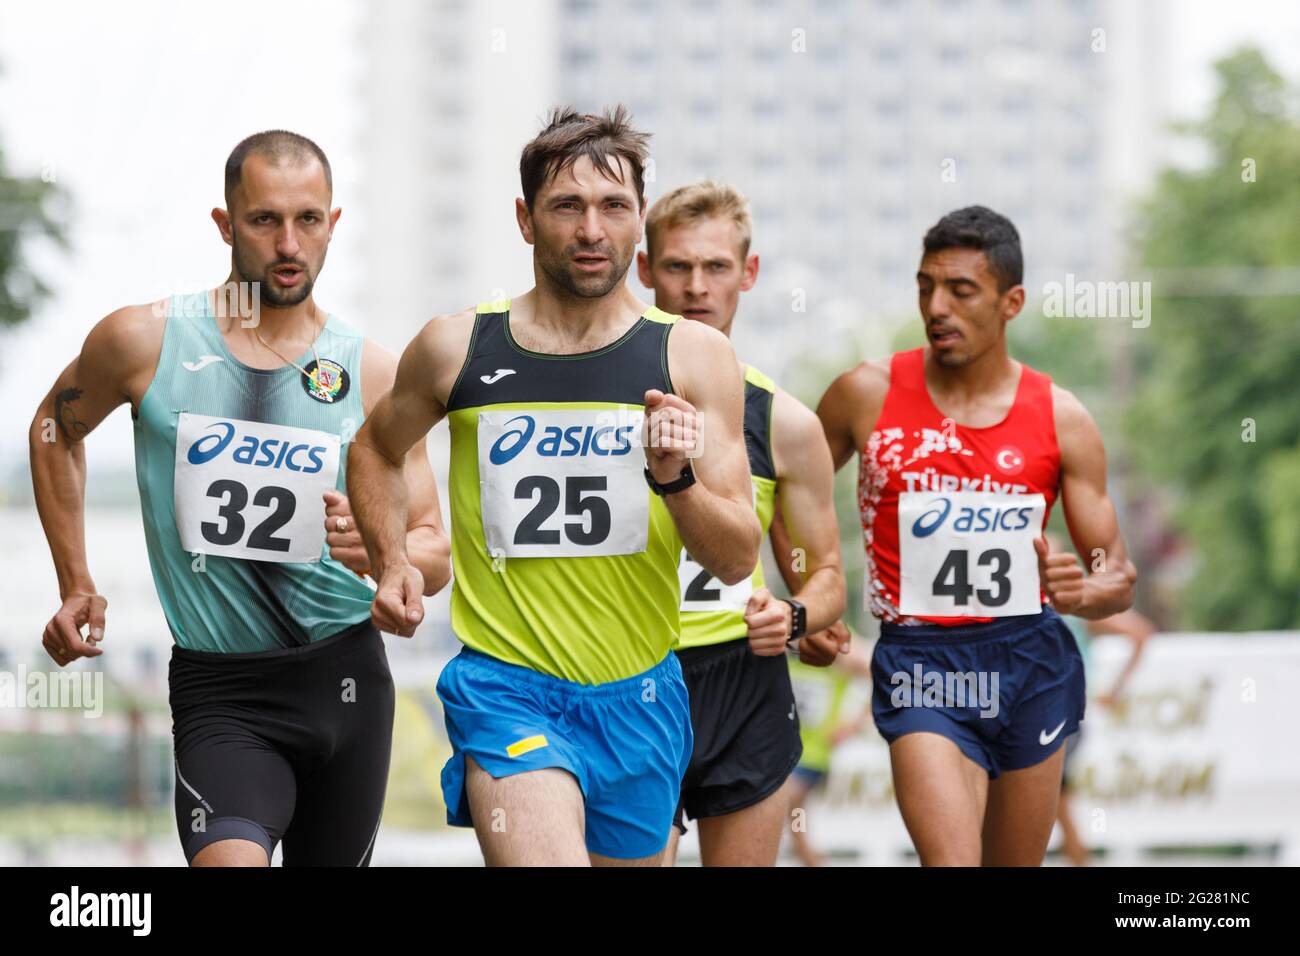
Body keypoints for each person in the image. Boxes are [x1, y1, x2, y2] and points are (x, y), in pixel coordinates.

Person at [346, 107, 760, 866]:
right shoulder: (458, 346)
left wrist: (676, 482)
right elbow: (374, 447)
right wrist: (394, 558)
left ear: (639, 225)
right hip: (507, 689)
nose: (591, 229)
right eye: (567, 206)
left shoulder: (694, 359)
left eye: (614, 207)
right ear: (526, 219)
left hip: (640, 699)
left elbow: (736, 557)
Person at [29, 130, 448, 866]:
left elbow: (432, 548)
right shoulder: (143, 341)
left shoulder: (376, 374)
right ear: (225, 225)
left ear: (333, 224)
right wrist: (76, 582)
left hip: (347, 683)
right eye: (264, 220)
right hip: (223, 691)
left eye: (309, 220)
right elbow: (52, 428)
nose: (289, 243)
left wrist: (391, 567)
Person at [814, 205, 1137, 865]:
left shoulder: (1062, 418)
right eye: (926, 285)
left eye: (961, 291)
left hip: (1029, 662)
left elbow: (1119, 578)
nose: (937, 306)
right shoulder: (863, 395)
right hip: (920, 663)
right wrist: (807, 588)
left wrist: (1081, 594)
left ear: (1010, 302)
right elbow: (785, 491)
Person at [635, 180, 845, 866]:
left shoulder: (785, 421)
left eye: (716, 267)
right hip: (629, 676)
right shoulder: (601, 401)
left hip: (743, 683)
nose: (697, 286)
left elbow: (824, 576)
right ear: (644, 271)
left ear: (747, 274)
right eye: (677, 266)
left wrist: (793, 616)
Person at [1057, 606, 1154, 865]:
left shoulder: (1071, 610)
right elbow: (1140, 633)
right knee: (1057, 810)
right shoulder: (1070, 610)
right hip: (1062, 718)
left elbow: (1140, 632)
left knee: (1058, 809)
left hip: (1060, 720)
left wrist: (1115, 690)